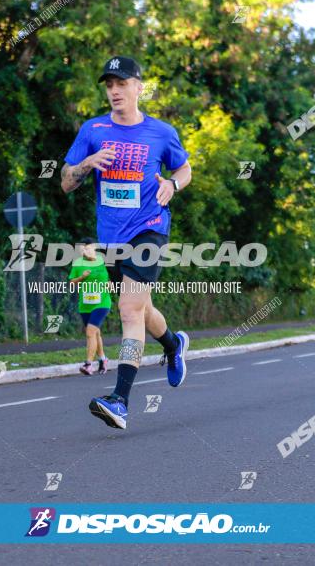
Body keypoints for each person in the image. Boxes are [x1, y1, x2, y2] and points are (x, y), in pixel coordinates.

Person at [61, 56, 192, 430]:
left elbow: (184, 168)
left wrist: (172, 184)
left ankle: (119, 399)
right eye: (109, 85)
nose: (115, 91)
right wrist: (87, 163)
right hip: (111, 236)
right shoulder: (93, 130)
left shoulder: (161, 132)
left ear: (138, 86)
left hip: (150, 228)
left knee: (128, 310)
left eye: (122, 83)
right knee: (143, 308)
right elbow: (66, 182)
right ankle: (173, 345)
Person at [68, 237, 112, 375]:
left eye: (86, 248)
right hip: (85, 305)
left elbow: (113, 278)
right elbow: (71, 283)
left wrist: (111, 284)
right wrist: (81, 277)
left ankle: (88, 364)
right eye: (81, 250)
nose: (84, 252)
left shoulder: (104, 262)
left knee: (90, 332)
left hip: (102, 303)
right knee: (95, 333)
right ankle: (103, 359)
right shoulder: (78, 264)